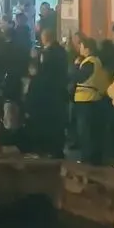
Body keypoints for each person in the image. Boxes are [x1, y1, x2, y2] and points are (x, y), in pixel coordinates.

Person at [23, 25, 69, 155]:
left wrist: (35, 61)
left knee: (47, 123)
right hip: (59, 92)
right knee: (57, 123)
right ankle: (57, 150)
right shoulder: (62, 52)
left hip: (47, 94)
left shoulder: (47, 54)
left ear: (45, 38)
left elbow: (41, 72)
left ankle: (47, 149)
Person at [69, 35, 110, 164]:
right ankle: (92, 158)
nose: (80, 49)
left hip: (86, 100)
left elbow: (78, 77)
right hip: (91, 99)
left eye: (81, 46)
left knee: (86, 132)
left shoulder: (89, 62)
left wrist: (76, 66)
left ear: (87, 48)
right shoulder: (96, 61)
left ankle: (88, 158)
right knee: (91, 131)